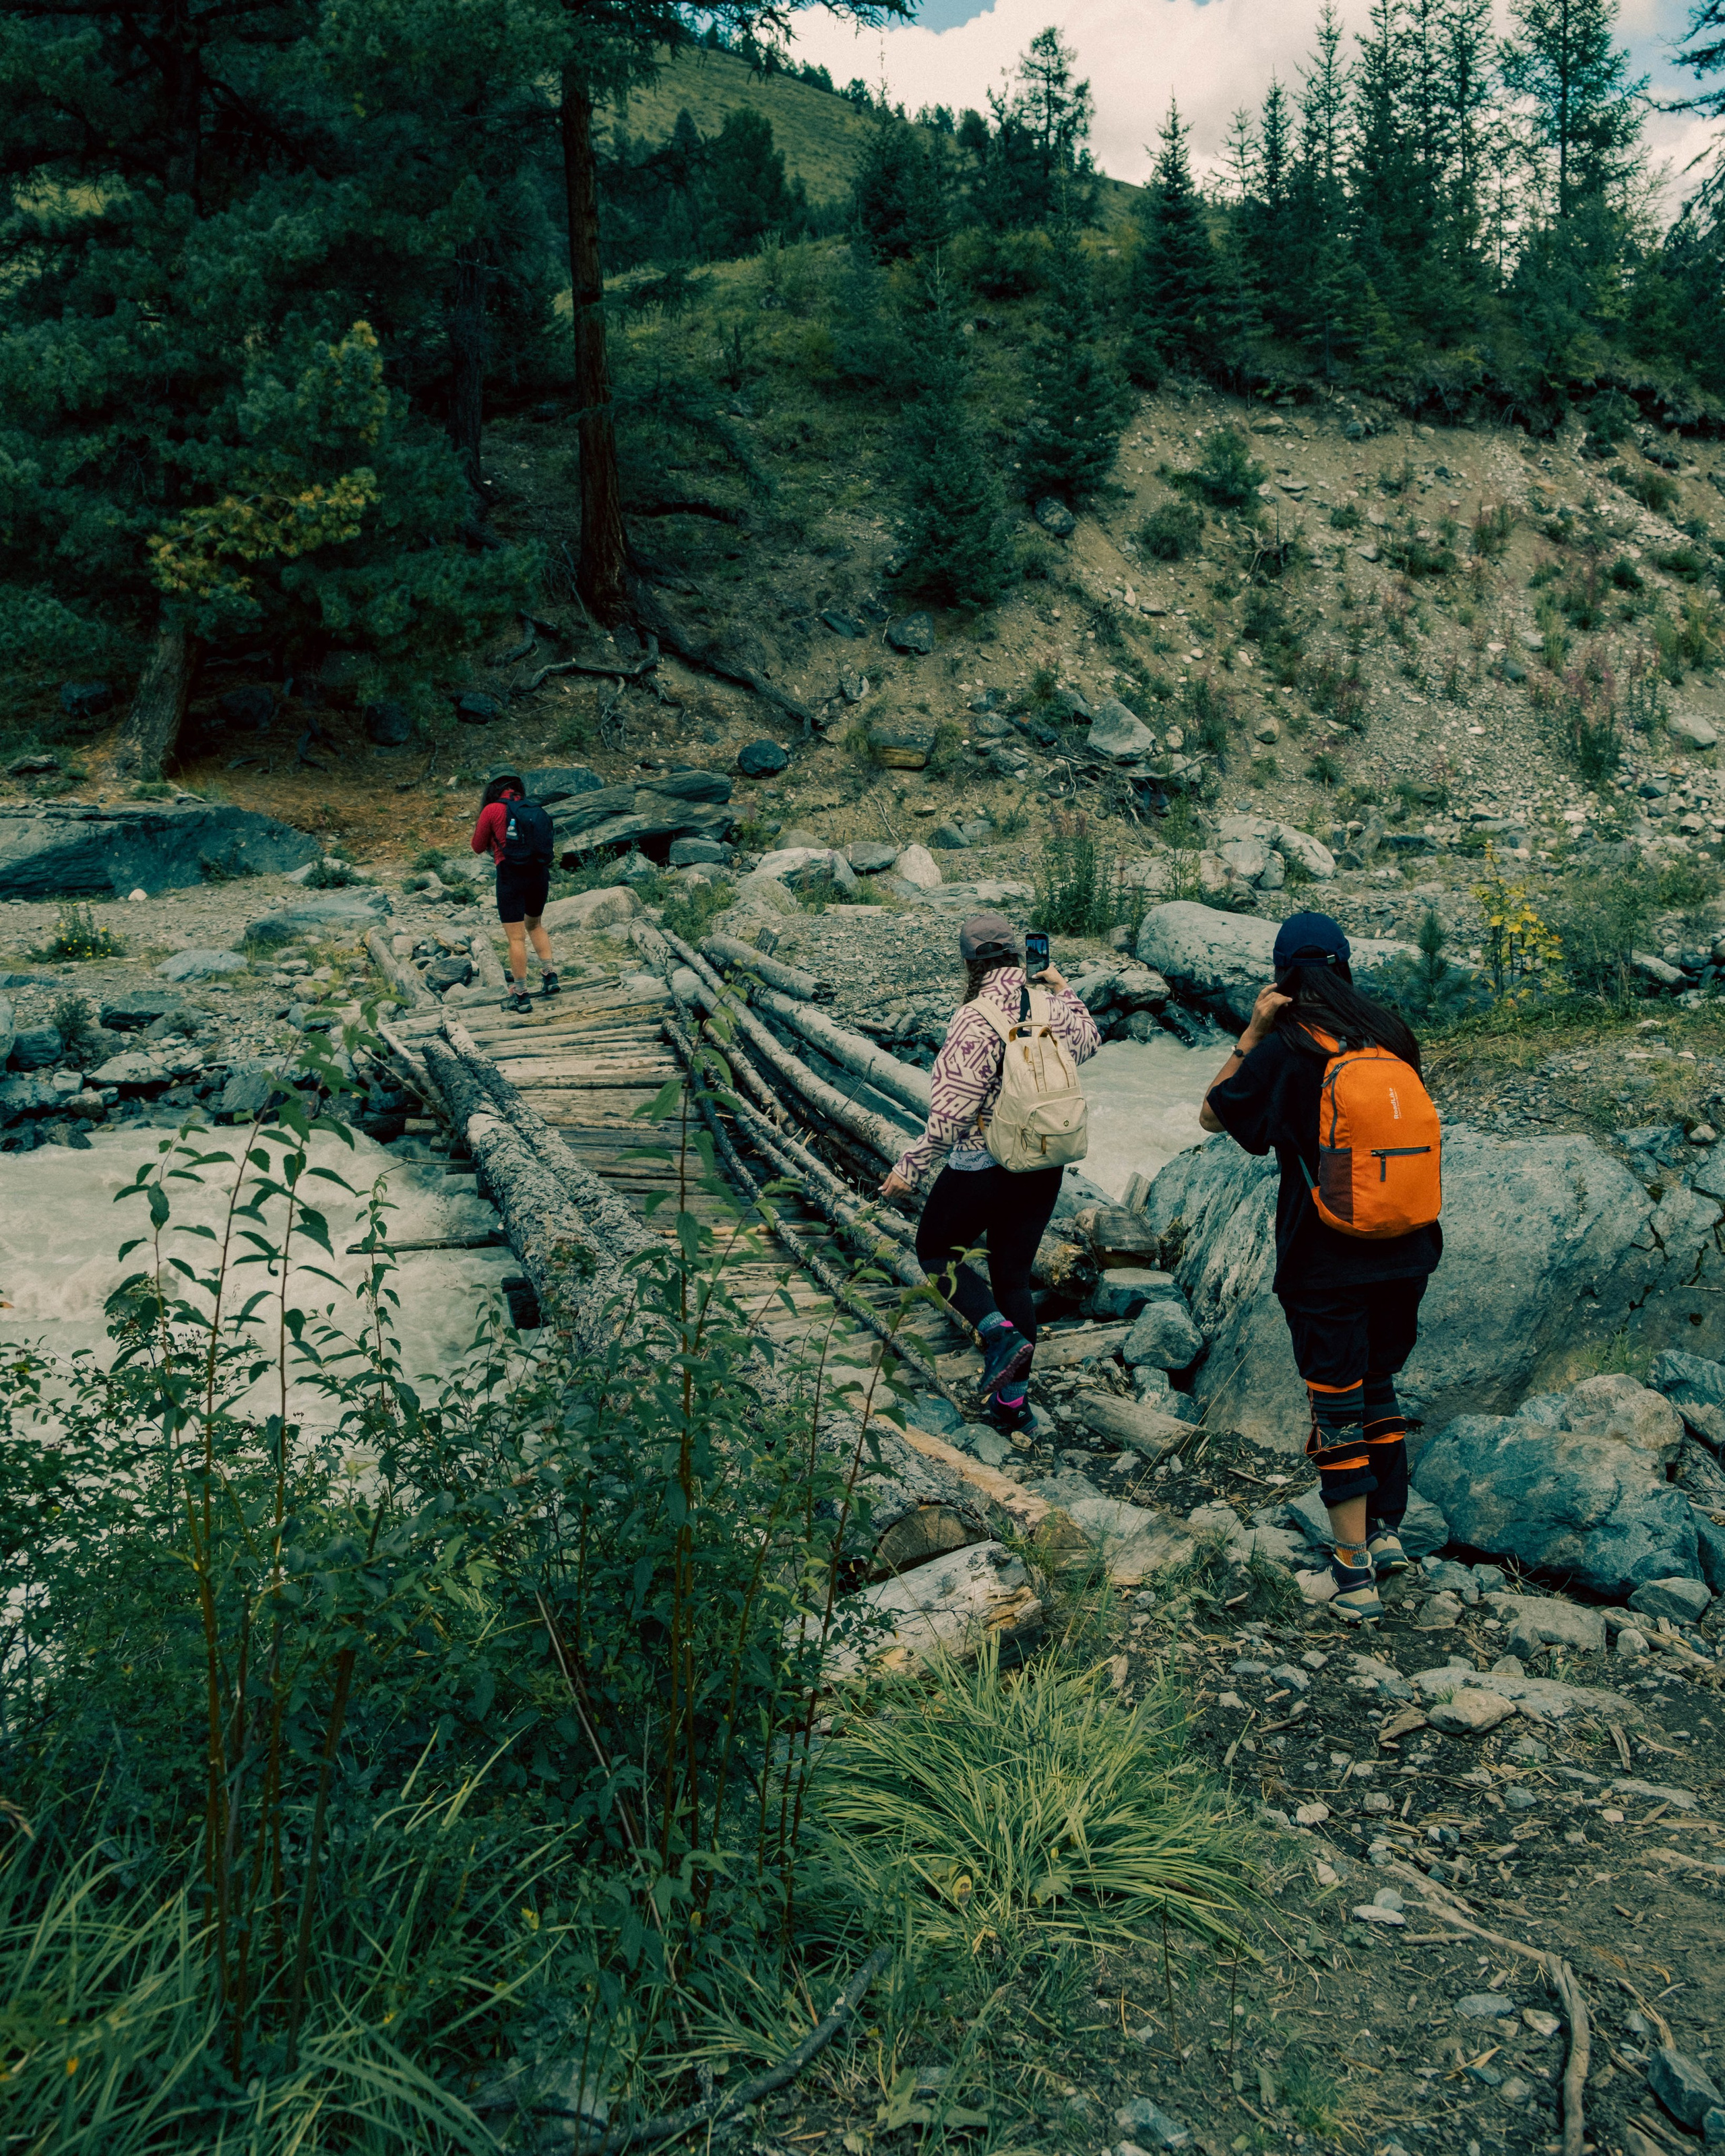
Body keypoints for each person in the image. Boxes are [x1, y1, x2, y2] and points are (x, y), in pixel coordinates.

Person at [1198, 910, 1442, 1623]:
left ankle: (1352, 1573)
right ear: (1345, 964)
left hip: (1325, 1258)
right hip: (1408, 1247)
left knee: (1335, 1407)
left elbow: (1213, 1115)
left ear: (1282, 975)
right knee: (1377, 1385)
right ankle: (1385, 1534)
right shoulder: (1391, 1036)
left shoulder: (1286, 1048)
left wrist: (1251, 1032)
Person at [881, 913, 1100, 1430]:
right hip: (1045, 1158)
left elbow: (952, 1116)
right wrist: (1061, 986)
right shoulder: (1049, 1003)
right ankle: (1013, 1406)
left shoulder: (974, 1018)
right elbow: (1090, 1042)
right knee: (1012, 1277)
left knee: (935, 1251)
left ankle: (1000, 1336)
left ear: (969, 964)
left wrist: (911, 1167)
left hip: (987, 1163)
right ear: (1018, 955)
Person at [471, 769, 557, 1015]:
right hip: (539, 875)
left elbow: (477, 846)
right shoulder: (532, 808)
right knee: (536, 925)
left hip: (510, 876)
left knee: (516, 938)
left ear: (493, 788)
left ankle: (520, 994)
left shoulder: (492, 810)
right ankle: (550, 975)